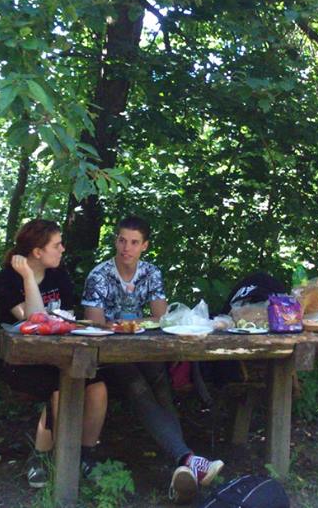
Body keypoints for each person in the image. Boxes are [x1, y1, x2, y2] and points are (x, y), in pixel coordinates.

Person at [82, 215, 223, 504]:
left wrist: (130, 323)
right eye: (122, 240)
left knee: (161, 383)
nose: (127, 248)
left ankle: (183, 464)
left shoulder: (151, 273)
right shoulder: (99, 275)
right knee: (137, 386)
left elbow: (161, 318)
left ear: (144, 246)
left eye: (134, 242)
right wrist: (134, 323)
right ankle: (186, 459)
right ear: (116, 241)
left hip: (145, 349)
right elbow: (96, 324)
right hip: (110, 354)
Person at [0, 219, 108, 488]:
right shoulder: (7, 279)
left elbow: (66, 318)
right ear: (37, 252)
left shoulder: (59, 275)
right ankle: (43, 458)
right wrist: (27, 277)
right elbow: (33, 320)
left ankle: (85, 455)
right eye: (56, 245)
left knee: (98, 387)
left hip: (59, 356)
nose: (62, 249)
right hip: (21, 361)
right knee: (59, 388)